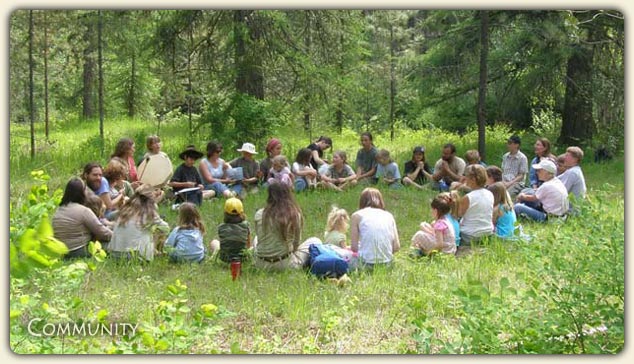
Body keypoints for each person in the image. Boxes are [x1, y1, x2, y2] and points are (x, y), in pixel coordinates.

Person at [253, 182, 317, 270]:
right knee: (315, 240)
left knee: (256, 238)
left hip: (261, 264)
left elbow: (260, 237)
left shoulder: (259, 214)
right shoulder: (293, 215)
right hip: (285, 264)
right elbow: (296, 243)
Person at [52, 178, 112, 259]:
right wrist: (116, 235)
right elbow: (103, 233)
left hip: (60, 252)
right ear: (82, 193)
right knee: (111, 244)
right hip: (78, 250)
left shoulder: (59, 210)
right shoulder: (83, 211)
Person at [108, 184, 170, 261]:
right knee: (158, 230)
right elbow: (166, 228)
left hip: (114, 254)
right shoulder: (148, 212)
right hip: (136, 256)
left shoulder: (125, 209)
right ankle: (155, 251)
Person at [350, 188, 400, 268]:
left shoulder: (357, 216)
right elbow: (396, 247)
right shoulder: (389, 215)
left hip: (365, 263)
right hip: (387, 263)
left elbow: (354, 248)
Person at [456, 164, 494, 246]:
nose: (465, 179)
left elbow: (457, 215)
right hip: (488, 233)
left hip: (470, 236)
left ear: (473, 179)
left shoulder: (468, 197)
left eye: (466, 177)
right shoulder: (490, 194)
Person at [210, 198, 252, 264]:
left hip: (225, 259)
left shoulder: (221, 227)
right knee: (256, 241)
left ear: (225, 213)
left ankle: (213, 257)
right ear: (241, 212)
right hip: (243, 259)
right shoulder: (246, 225)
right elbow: (248, 245)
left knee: (214, 242)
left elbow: (223, 243)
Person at [501, 135, 528, 199]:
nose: (508, 145)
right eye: (507, 143)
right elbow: (503, 171)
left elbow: (521, 175)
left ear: (516, 145)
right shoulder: (505, 156)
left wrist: (509, 183)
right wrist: (503, 182)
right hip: (504, 181)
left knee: (507, 194)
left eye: (510, 143)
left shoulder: (522, 158)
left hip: (516, 183)